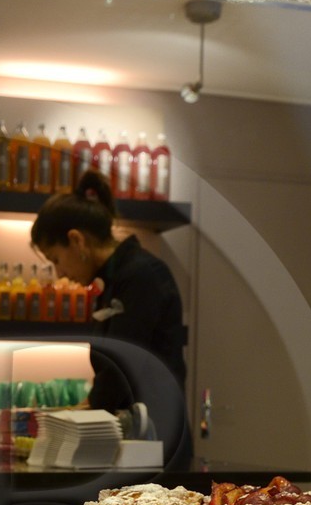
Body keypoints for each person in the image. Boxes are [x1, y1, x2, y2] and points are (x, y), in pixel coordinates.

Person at [30, 171, 192, 470]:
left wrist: (79, 413)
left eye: (55, 259)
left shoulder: (141, 276)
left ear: (76, 240)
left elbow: (124, 362)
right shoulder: (115, 280)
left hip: (155, 445)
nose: (60, 273)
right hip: (134, 442)